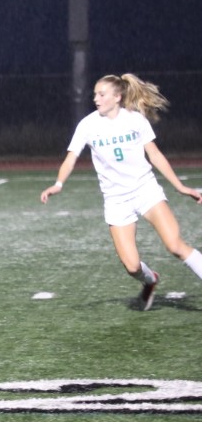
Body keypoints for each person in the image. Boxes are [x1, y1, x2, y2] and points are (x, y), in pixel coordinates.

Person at [40, 73, 202, 310]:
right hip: (116, 200)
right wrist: (59, 184)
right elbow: (70, 158)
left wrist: (180, 187)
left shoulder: (135, 120)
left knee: (175, 245)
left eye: (101, 94)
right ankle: (151, 281)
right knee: (132, 266)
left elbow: (155, 155)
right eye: (95, 94)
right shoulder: (87, 125)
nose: (96, 98)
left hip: (145, 190)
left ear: (118, 96)